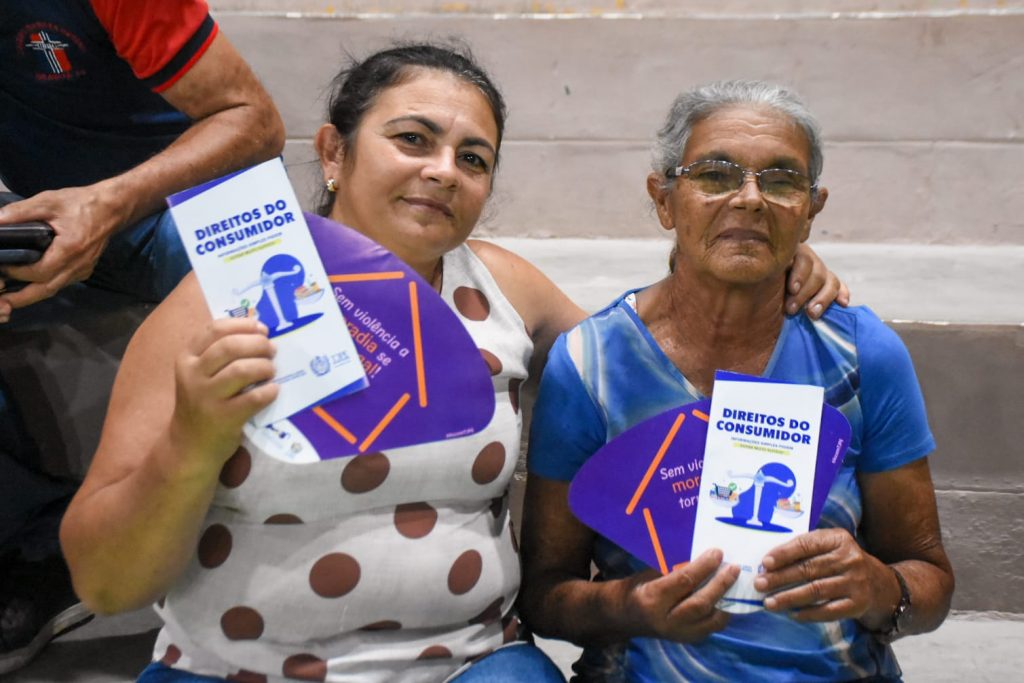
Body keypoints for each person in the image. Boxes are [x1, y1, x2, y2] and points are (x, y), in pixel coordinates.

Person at [60, 49, 844, 682]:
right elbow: (106, 583)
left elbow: (644, 370)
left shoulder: (505, 289)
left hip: (470, 664)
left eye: (473, 158)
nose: (444, 170)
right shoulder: (221, 301)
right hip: (240, 669)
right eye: (413, 139)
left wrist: (762, 260)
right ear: (333, 151)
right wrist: (193, 439)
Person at [519, 79, 955, 682]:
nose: (750, 199)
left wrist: (880, 588)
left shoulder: (860, 355)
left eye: (781, 181)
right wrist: (629, 606)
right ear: (664, 200)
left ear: (810, 210)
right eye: (715, 175)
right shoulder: (591, 365)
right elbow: (544, 597)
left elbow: (930, 581)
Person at [0, 0, 284, 673]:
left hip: (179, 204)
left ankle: (287, 559)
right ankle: (40, 549)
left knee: (263, 280)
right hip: (50, 218)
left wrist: (106, 205)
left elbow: (255, 122)